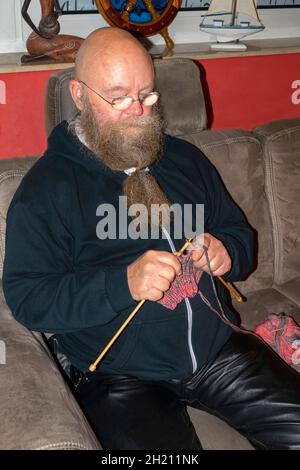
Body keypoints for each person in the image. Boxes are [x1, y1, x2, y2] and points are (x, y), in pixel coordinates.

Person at [3, 27, 300, 450]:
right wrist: (121, 283)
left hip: (217, 350)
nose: (137, 110)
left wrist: (225, 251)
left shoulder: (186, 160)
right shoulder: (47, 191)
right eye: (118, 96)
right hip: (118, 377)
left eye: (147, 94)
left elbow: (240, 237)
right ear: (80, 95)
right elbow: (28, 299)